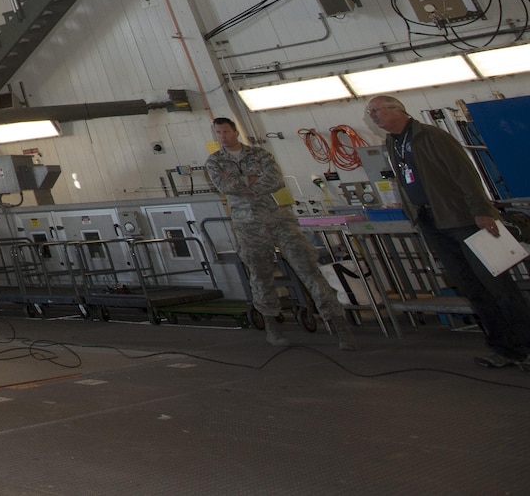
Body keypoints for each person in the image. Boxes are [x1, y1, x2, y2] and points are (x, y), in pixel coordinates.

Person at [364, 94, 530, 367]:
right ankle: (505, 348)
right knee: (472, 288)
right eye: (371, 113)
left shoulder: (431, 136)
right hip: (433, 221)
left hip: (461, 219)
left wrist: (482, 212)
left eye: (376, 111)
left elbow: (466, 174)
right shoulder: (393, 142)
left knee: (497, 285)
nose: (373, 116)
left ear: (397, 110)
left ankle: (526, 343)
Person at [203, 118, 355, 350]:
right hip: (249, 226)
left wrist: (242, 184)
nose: (222, 136)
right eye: (218, 133)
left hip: (281, 221)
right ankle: (272, 327)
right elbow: (225, 187)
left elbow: (275, 180)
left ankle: (339, 325)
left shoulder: (260, 155)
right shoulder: (215, 162)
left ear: (235, 132)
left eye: (226, 131)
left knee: (309, 270)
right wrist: (250, 179)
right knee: (260, 276)